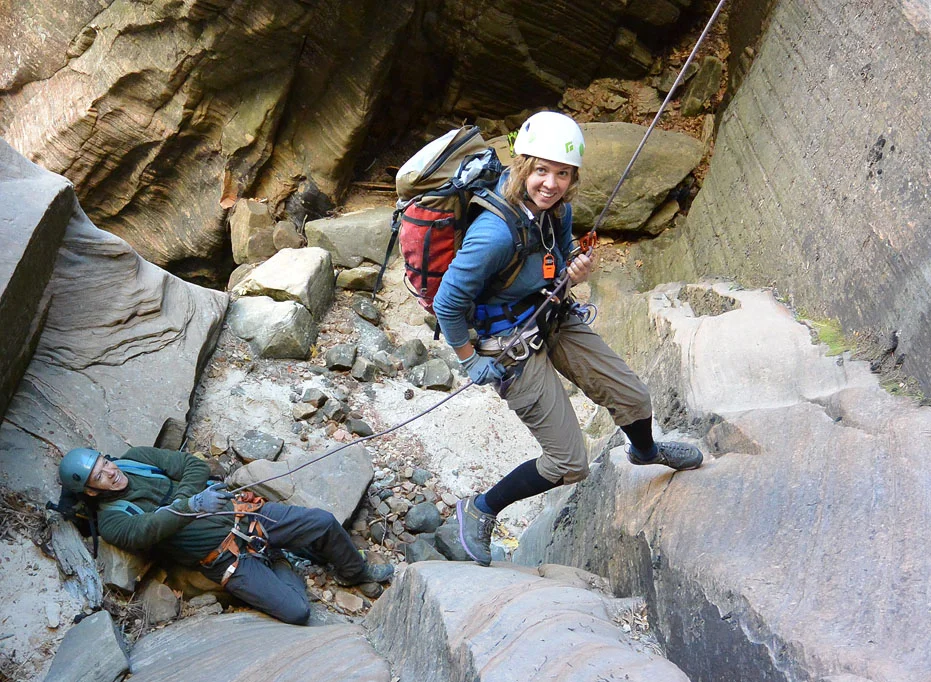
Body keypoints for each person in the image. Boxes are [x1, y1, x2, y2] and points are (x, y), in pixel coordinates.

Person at [433, 111, 704, 566]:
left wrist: (573, 268)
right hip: (509, 344)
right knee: (568, 463)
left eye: (562, 173)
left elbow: (555, 260)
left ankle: (646, 451)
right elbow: (447, 303)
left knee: (633, 397)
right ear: (522, 166)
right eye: (541, 170)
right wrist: (467, 358)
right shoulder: (494, 233)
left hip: (551, 315)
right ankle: (480, 509)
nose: (550, 183)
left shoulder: (558, 211)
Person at [58, 445, 392, 624]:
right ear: (90, 492)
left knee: (321, 521)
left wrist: (184, 500)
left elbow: (193, 465)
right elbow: (149, 529)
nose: (111, 473)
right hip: (224, 559)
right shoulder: (113, 522)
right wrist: (190, 503)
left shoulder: (136, 460)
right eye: (100, 476)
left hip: (245, 516)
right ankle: (279, 560)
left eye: (105, 462)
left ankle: (354, 571)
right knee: (297, 611)